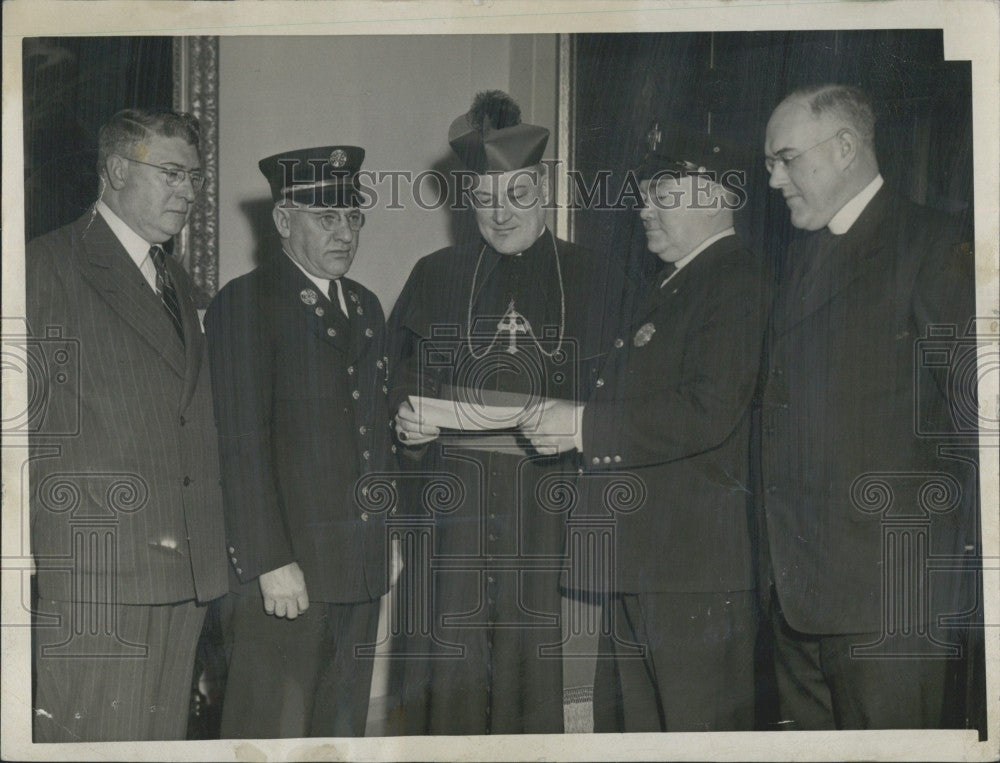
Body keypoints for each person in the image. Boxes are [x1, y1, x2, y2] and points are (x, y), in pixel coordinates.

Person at [388, 90, 627, 734]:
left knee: (541, 684)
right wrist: (407, 428)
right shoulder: (434, 274)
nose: (500, 213)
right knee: (454, 691)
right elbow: (397, 389)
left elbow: (625, 403)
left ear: (543, 189)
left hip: (558, 510)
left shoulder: (600, 276)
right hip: (455, 516)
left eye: (517, 195)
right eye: (486, 198)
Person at [527, 126, 770, 731]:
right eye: (644, 191)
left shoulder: (737, 281)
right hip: (649, 562)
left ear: (717, 196)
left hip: (694, 575)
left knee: (696, 732)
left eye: (662, 190)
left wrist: (583, 425)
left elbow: (708, 409)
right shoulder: (674, 282)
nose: (644, 205)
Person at [758, 84, 978, 729]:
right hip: (800, 600)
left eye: (786, 158)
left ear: (846, 147)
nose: (773, 179)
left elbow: (978, 427)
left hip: (893, 604)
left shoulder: (937, 246)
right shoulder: (801, 255)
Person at [27, 108, 228, 741]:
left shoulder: (176, 278)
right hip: (97, 571)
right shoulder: (48, 266)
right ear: (116, 171)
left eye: (194, 178)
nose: (189, 193)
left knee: (160, 739)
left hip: (181, 567)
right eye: (172, 174)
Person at [204, 146, 399, 737]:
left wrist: (385, 536)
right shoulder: (247, 302)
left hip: (358, 565)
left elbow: (375, 434)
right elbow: (239, 442)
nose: (344, 234)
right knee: (272, 730)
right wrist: (269, 561)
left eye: (352, 218)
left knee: (342, 730)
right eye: (326, 218)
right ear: (284, 222)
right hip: (290, 571)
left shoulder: (364, 306)